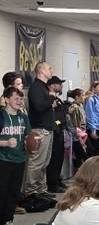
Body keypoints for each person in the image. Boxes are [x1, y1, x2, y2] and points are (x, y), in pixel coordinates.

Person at [22, 61, 56, 204]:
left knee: (44, 162)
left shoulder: (43, 87)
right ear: (42, 71)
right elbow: (39, 106)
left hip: (47, 129)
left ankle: (40, 189)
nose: (51, 70)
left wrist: (50, 100)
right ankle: (30, 192)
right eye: (49, 68)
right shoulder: (36, 87)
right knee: (36, 162)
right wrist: (51, 98)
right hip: (39, 130)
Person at [0, 84, 31, 225]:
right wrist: (5, 143)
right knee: (2, 191)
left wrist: (32, 142)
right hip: (3, 159)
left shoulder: (23, 117)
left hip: (20, 159)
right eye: (15, 98)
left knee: (13, 193)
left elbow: (27, 136)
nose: (19, 101)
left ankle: (7, 222)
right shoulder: (1, 116)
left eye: (20, 98)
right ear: (6, 99)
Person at [84, 81, 99, 156]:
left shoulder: (98, 99)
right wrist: (93, 129)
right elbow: (90, 114)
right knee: (93, 150)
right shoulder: (91, 99)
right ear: (93, 88)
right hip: (94, 128)